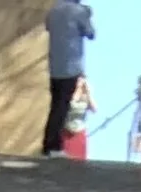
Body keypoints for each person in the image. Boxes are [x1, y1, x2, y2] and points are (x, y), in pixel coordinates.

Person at [40, 0, 93, 153]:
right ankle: (53, 145)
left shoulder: (54, 10)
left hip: (54, 65)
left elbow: (48, 27)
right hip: (71, 66)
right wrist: (88, 15)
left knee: (56, 105)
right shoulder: (80, 11)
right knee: (62, 106)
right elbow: (90, 33)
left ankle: (51, 142)